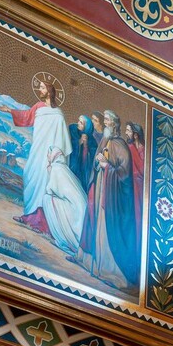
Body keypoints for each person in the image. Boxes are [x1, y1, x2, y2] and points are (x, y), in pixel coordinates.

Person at [72, 110, 138, 290]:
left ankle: (108, 269)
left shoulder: (120, 145)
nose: (105, 123)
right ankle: (89, 261)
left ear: (114, 124)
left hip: (110, 196)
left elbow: (124, 175)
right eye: (105, 120)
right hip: (100, 188)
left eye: (108, 120)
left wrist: (106, 166)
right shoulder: (104, 141)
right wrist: (98, 163)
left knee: (105, 228)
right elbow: (95, 162)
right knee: (93, 222)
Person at [0, 81, 72, 237]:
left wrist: (57, 155)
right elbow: (26, 117)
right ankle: (29, 216)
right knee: (31, 175)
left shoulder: (58, 114)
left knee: (46, 183)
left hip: (50, 154)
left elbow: (62, 137)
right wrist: (9, 110)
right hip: (38, 150)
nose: (40, 90)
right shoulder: (38, 107)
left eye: (43, 88)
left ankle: (42, 223)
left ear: (49, 91)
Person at [42, 145, 87, 253]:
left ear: (54, 156)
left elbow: (50, 189)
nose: (48, 156)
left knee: (46, 199)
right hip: (77, 209)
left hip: (74, 210)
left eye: (49, 153)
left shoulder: (56, 168)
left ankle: (63, 239)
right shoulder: (63, 168)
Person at [125, 122, 145, 253]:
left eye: (128, 131)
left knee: (138, 217)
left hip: (139, 188)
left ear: (136, 135)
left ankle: (137, 249)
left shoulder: (143, 150)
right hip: (128, 187)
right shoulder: (128, 148)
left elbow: (143, 170)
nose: (126, 133)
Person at [68, 115, 98, 188]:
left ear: (86, 127)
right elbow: (69, 146)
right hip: (75, 164)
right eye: (78, 121)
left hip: (85, 168)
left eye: (81, 122)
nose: (78, 123)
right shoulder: (73, 131)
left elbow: (94, 155)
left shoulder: (91, 140)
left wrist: (86, 145)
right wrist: (79, 142)